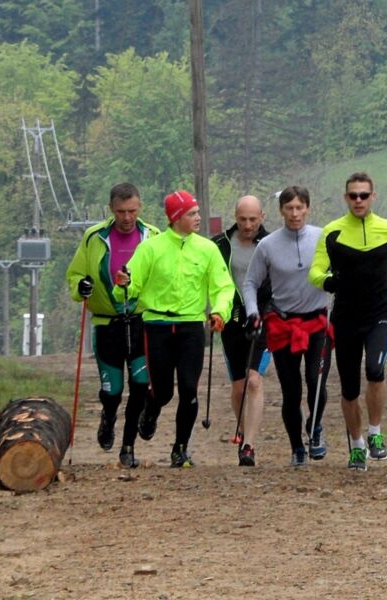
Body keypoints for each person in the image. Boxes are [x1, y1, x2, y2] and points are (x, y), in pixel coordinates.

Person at [114, 190, 233, 468]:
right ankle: (151, 411)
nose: (198, 218)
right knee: (164, 390)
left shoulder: (207, 249)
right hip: (157, 325)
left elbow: (224, 287)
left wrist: (219, 311)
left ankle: (180, 449)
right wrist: (123, 285)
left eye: (197, 212)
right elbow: (129, 286)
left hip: (192, 326)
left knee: (190, 389)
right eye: (191, 213)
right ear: (175, 217)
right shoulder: (150, 248)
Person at [308, 172, 387, 471]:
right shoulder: (332, 232)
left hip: (378, 314)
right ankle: (356, 445)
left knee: (375, 370)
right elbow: (315, 272)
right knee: (349, 388)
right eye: (353, 195)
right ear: (346, 198)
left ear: (373, 197)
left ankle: (375, 433)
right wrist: (329, 281)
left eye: (364, 195)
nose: (358, 200)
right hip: (346, 318)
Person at [66, 182, 159, 469]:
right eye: (121, 212)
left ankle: (127, 447)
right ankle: (108, 416)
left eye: (132, 211)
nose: (127, 217)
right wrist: (80, 287)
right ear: (111, 209)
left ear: (140, 206)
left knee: (141, 385)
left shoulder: (154, 236)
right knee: (113, 390)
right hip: (107, 323)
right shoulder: (93, 237)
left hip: (142, 320)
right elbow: (75, 274)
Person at [244, 186, 331, 467]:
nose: (295, 214)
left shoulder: (323, 238)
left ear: (308, 208)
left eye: (299, 207)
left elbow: (341, 270)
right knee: (291, 391)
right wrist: (253, 312)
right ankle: (297, 448)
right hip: (283, 323)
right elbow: (250, 283)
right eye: (289, 208)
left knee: (316, 382)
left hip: (318, 321)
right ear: (281, 211)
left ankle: (314, 428)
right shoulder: (267, 245)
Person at [212, 195, 272, 467]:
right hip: (232, 321)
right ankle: (241, 429)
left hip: (263, 318)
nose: (248, 225)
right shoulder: (220, 244)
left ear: (262, 216)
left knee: (254, 380)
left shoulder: (272, 243)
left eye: (253, 219)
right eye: (242, 219)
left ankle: (249, 445)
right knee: (238, 388)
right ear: (235, 217)